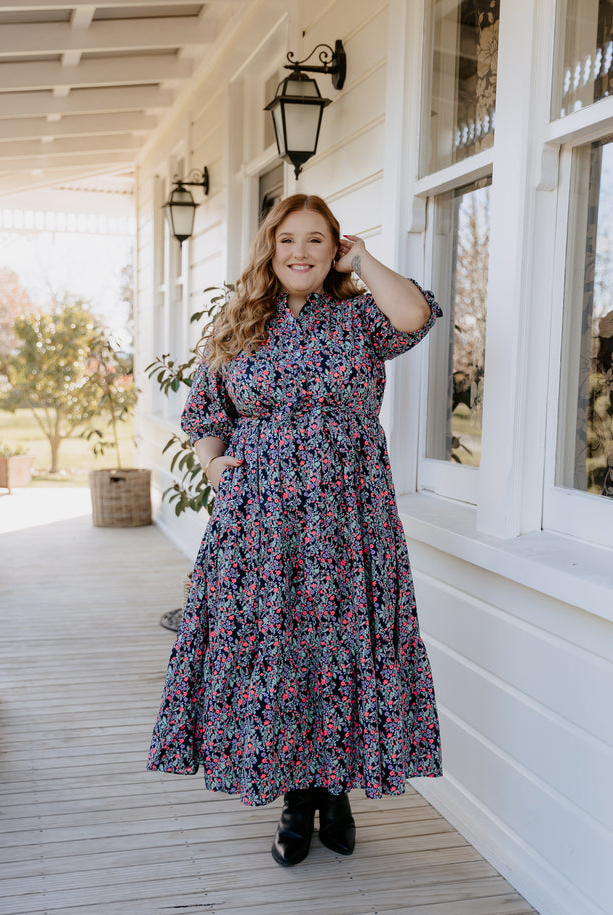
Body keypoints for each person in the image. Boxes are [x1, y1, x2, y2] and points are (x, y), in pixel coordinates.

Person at [147, 194, 443, 866]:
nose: (301, 253)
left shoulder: (361, 317)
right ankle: (295, 800)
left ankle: (333, 790)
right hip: (260, 525)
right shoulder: (240, 321)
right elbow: (205, 412)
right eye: (288, 240)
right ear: (270, 248)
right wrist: (216, 465)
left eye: (316, 240)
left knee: (339, 652)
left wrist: (363, 259)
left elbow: (416, 314)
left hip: (349, 521)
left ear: (333, 247)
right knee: (276, 655)